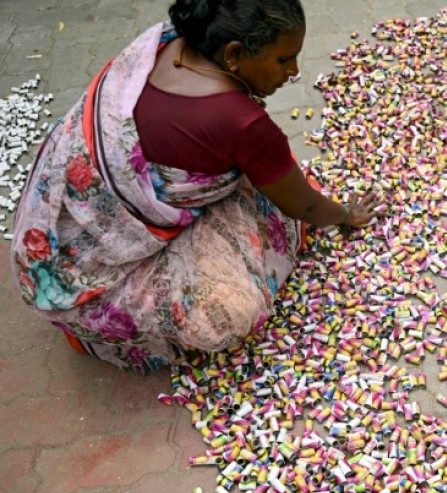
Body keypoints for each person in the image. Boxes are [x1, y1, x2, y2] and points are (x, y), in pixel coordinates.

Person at [9, 0, 383, 373]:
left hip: (48, 245)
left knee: (270, 175)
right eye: (284, 60)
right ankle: (113, 330)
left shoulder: (164, 44)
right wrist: (349, 215)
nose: (294, 72)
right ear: (234, 54)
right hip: (89, 288)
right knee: (233, 306)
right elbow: (305, 207)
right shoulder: (245, 126)